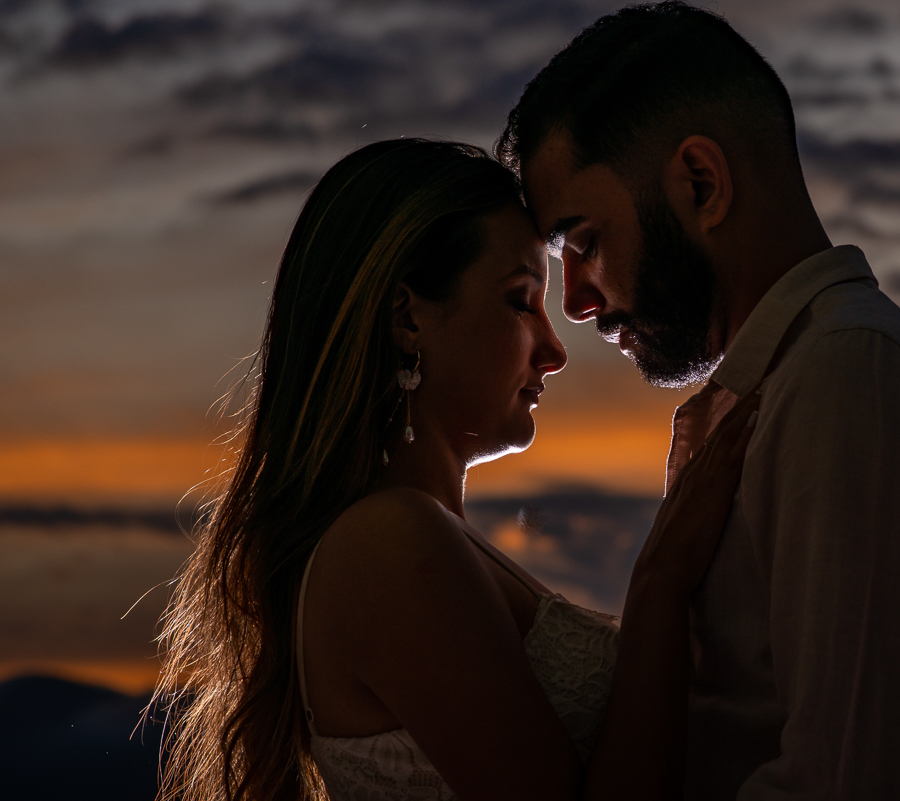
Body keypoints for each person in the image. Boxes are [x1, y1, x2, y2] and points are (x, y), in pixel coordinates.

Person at [499, 2, 900, 799]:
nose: (577, 304)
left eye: (586, 243)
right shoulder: (804, 388)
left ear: (702, 183)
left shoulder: (854, 384)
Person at [153, 138, 758, 801]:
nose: (554, 350)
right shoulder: (388, 543)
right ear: (409, 318)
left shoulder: (417, 537)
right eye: (520, 301)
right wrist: (664, 576)